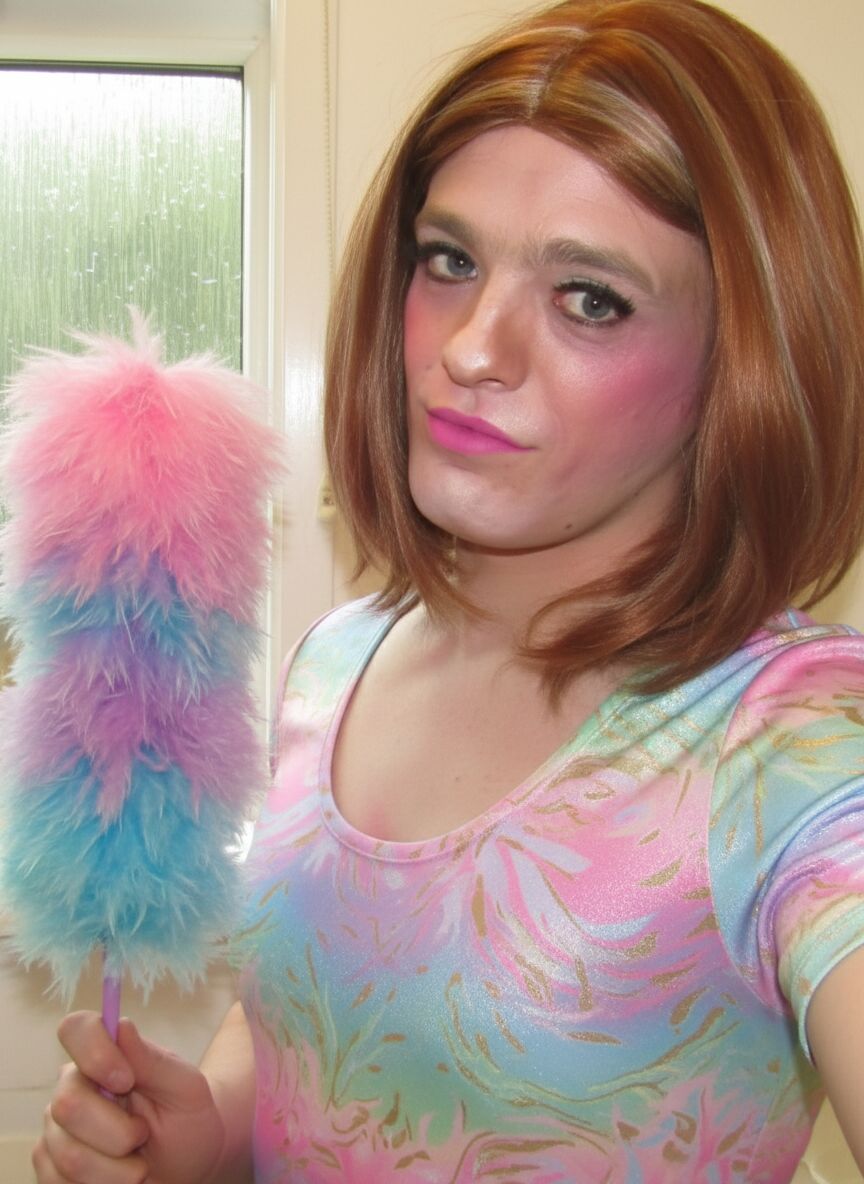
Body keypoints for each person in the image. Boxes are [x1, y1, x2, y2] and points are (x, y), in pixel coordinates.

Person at [32, 0, 864, 1180]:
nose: (473, 347)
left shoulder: (800, 737)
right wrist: (203, 1131)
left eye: (591, 298)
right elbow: (289, 1024)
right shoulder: (336, 658)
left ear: (744, 361)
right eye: (450, 260)